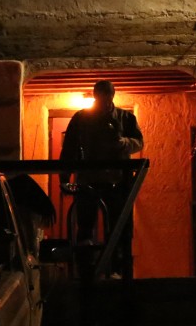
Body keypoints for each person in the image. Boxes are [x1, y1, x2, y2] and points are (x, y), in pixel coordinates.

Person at [59, 79, 144, 279]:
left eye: (108, 95)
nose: (105, 100)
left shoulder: (126, 117)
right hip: (89, 180)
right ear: (96, 96)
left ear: (112, 96)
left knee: (119, 227)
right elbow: (69, 149)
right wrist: (64, 176)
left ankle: (117, 270)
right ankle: (85, 271)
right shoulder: (81, 119)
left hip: (118, 181)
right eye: (101, 96)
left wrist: (122, 143)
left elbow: (139, 142)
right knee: (86, 227)